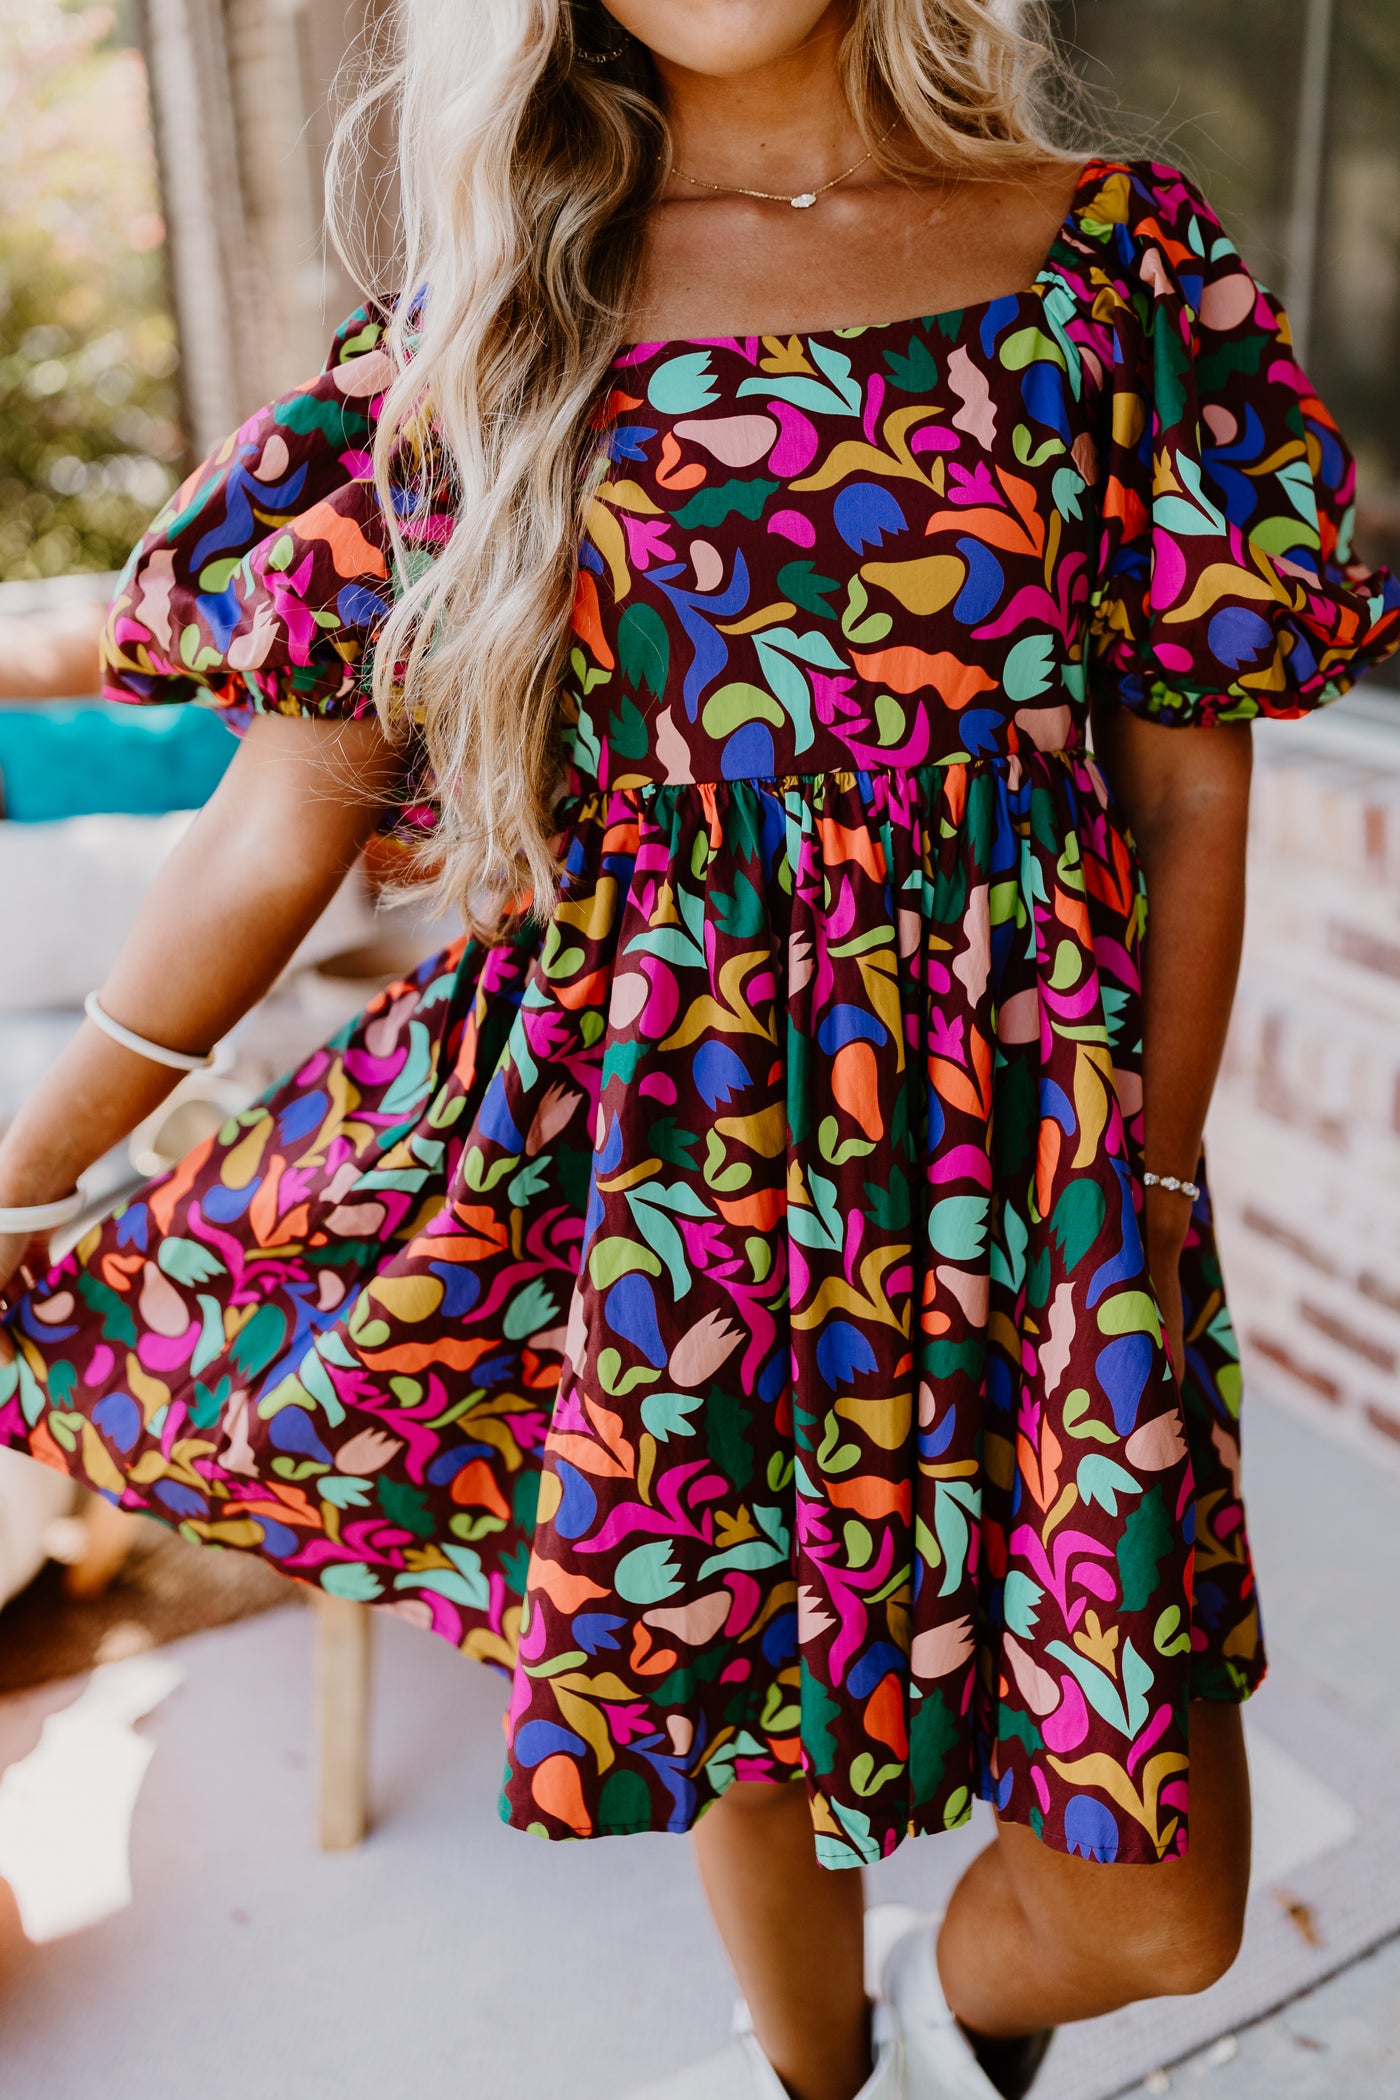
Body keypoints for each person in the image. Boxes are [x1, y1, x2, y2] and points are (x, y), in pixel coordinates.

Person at [2, 4, 1397, 2096]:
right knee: (737, 1710)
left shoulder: (1111, 259)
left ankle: (927, 2039)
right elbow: (284, 814)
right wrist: (32, 1173)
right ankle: (819, 2078)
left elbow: (1186, 796)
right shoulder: (501, 309)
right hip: (663, 1177)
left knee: (1148, 1903)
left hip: (1033, 1176)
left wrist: (1149, 1193)